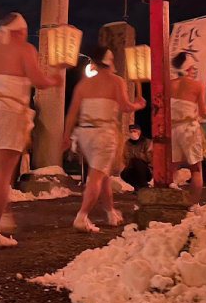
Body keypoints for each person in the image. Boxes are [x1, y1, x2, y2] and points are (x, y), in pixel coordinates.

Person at [0, 12, 63, 249]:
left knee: (0, 171)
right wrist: (56, 79)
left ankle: (1, 213)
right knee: (3, 176)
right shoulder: (25, 48)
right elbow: (38, 81)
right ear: (19, 31)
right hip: (8, 110)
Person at [62, 46, 146, 233]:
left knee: (103, 175)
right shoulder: (116, 81)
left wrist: (66, 135)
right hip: (103, 133)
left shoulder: (83, 84)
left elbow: (72, 113)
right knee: (97, 176)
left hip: (84, 134)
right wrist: (138, 105)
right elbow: (125, 107)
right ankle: (82, 216)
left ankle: (110, 213)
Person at [169, 52, 206, 204]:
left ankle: (168, 200)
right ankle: (194, 204)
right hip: (189, 129)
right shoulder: (197, 85)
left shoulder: (168, 84)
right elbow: (202, 111)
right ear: (190, 68)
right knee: (196, 169)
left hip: (172, 129)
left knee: (172, 166)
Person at [120, 124, 152, 190]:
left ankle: (144, 186)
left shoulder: (147, 142)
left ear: (139, 132)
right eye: (130, 131)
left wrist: (138, 156)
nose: (132, 133)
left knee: (137, 163)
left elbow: (150, 158)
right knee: (124, 174)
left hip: (146, 169)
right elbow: (125, 158)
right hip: (132, 167)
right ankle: (137, 187)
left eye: (134, 131)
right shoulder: (127, 143)